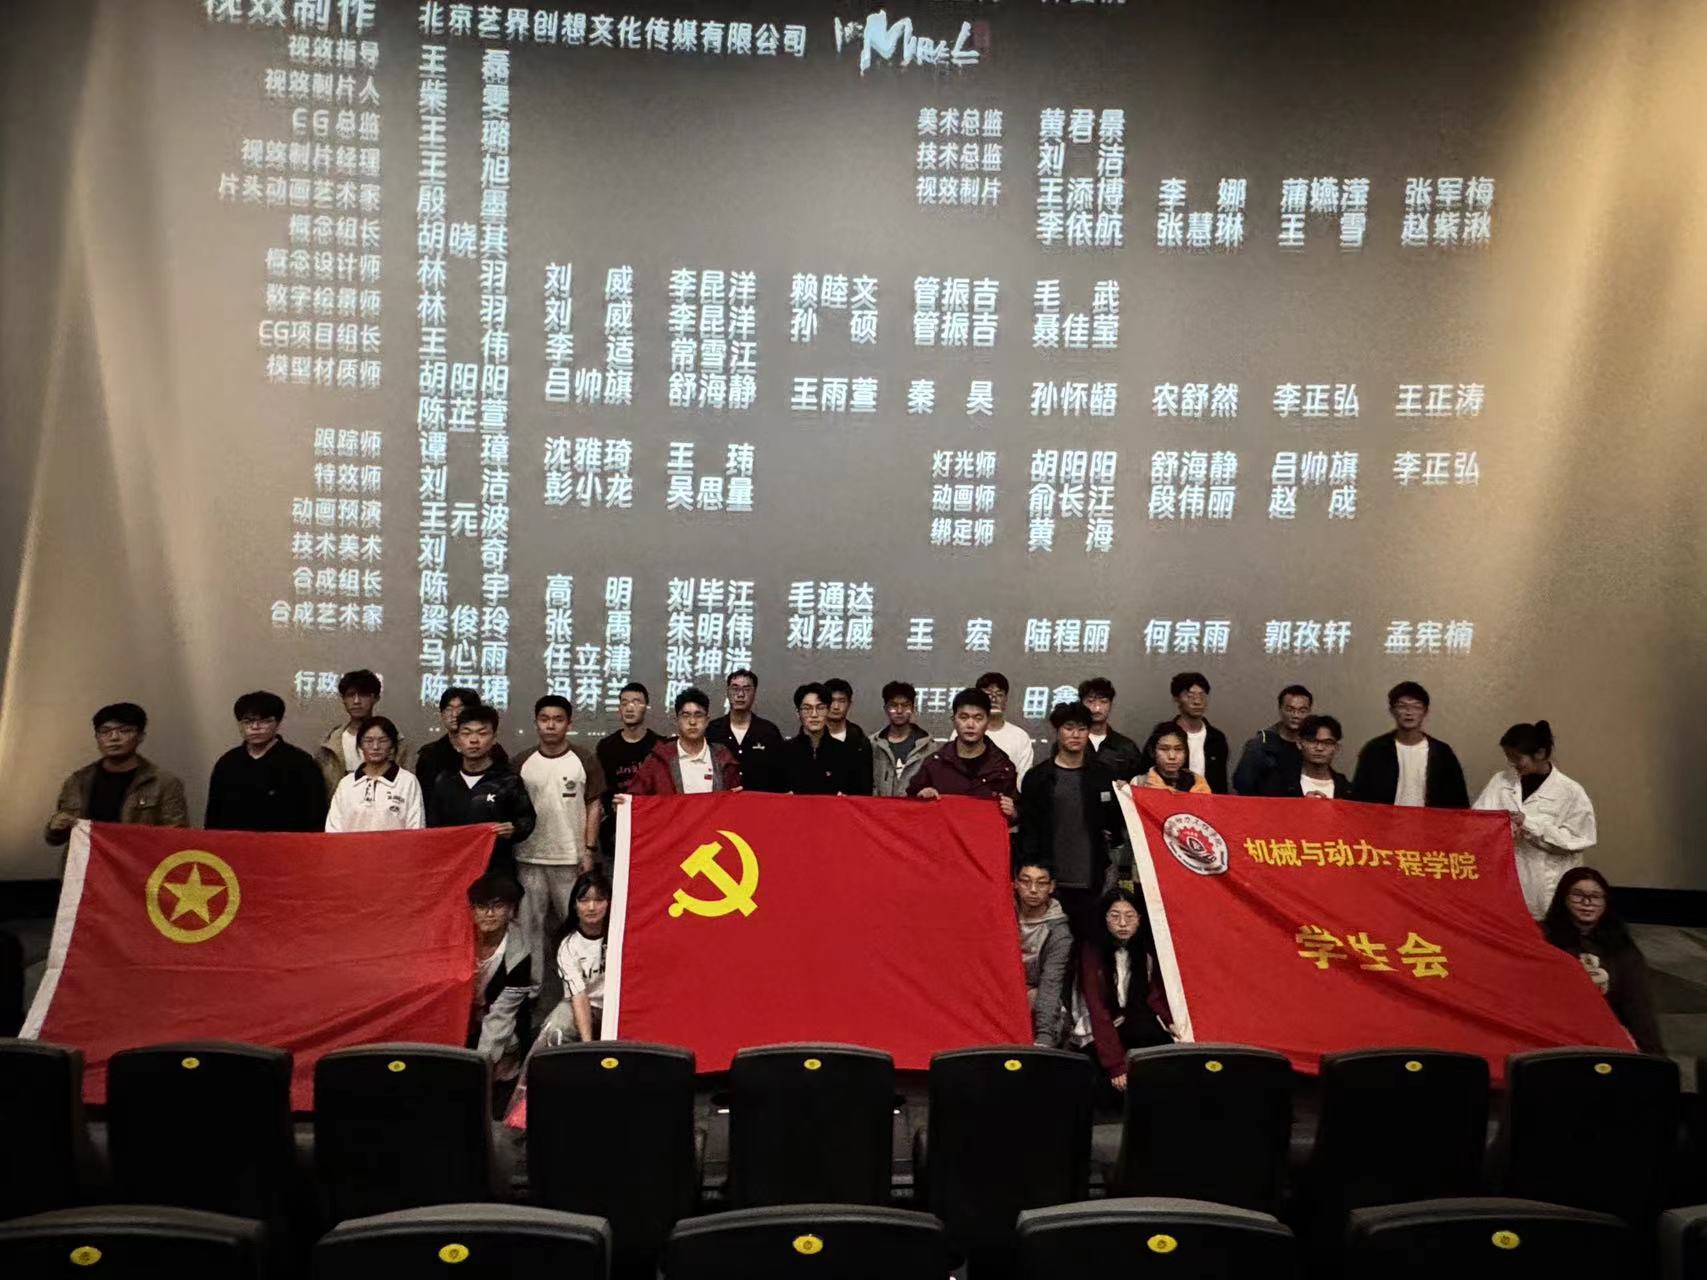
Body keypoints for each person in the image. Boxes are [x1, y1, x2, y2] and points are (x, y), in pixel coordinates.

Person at [513, 696, 607, 969]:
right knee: (530, 928)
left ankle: (579, 983)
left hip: (571, 859)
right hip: (529, 857)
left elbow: (594, 806)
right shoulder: (521, 762)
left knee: (576, 925)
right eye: (545, 719)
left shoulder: (584, 759)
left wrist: (589, 850)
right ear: (536, 723)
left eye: (558, 720)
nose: (551, 725)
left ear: (569, 724)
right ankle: (532, 987)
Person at [1474, 721, 1597, 919]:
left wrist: (1529, 825)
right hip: (1504, 884)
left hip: (1545, 890)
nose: (1513, 764)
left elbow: (1577, 839)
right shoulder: (1500, 781)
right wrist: (1499, 827)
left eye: (1517, 758)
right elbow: (1478, 821)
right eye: (1509, 758)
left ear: (1540, 754)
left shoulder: (1570, 792)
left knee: (1543, 930)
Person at [1020, 702, 1121, 937]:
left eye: (1082, 729)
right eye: (1069, 728)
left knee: (1088, 946)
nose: (1075, 735)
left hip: (1092, 879)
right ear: (1057, 731)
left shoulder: (1103, 775)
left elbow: (1115, 825)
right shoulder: (1037, 778)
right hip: (1048, 882)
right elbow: (1028, 831)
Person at [1542, 868, 1661, 1053]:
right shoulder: (1544, 940)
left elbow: (1639, 1007)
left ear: (1606, 902)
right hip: (1557, 1033)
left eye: (1596, 896)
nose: (1587, 903)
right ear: (1563, 898)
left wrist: (1653, 1055)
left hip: (1607, 1034)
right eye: (1578, 895)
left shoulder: (1621, 947)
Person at [46, 703, 188, 844]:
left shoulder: (163, 783)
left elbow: (176, 839)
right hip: (85, 858)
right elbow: (56, 839)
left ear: (140, 736)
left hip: (136, 858)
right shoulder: (78, 781)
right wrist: (54, 828)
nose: (114, 737)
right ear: (97, 737)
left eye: (124, 730)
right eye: (105, 731)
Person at [1079, 887, 1174, 1094]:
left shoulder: (1145, 950)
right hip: (1100, 1029)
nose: (1123, 923)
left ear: (1139, 919)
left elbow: (1154, 996)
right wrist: (1116, 1065)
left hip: (1131, 1020)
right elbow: (1097, 1009)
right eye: (1115, 916)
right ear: (1104, 919)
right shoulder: (1092, 951)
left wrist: (1171, 1022)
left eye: (1129, 916)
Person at [427, 704, 536, 873]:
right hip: (452, 869)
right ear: (457, 740)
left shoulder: (508, 780)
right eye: (466, 733)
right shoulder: (445, 780)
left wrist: (513, 829)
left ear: (494, 739)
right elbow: (433, 827)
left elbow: (527, 819)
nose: (474, 740)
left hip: (496, 869)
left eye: (482, 733)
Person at [205, 690, 327, 831]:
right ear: (239, 724)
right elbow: (213, 815)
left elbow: (315, 814)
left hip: (285, 841)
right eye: (248, 721)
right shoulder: (227, 763)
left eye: (264, 721)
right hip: (235, 842)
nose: (255, 727)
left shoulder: (301, 762)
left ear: (278, 723)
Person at [1350, 681, 1469, 809]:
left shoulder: (1442, 753)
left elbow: (1458, 803)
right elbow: (1358, 801)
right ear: (1392, 711)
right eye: (1402, 706)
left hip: (1429, 821)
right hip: (1385, 820)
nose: (1409, 712)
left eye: (1416, 706)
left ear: (1425, 711)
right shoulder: (1375, 750)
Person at [907, 688, 1020, 819]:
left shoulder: (1003, 767)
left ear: (988, 721)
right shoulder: (934, 764)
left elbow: (1018, 813)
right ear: (953, 720)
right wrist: (921, 798)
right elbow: (909, 808)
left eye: (978, 718)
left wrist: (1014, 813)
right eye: (963, 717)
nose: (970, 724)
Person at [467, 872, 536, 1079]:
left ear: (511, 910)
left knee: (496, 1067)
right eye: (482, 907)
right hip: (463, 1016)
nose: (489, 914)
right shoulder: (460, 940)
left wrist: (480, 1065)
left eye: (497, 906)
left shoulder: (519, 955)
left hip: (498, 1021)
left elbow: (501, 1016)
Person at [315, 669, 411, 798]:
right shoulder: (329, 744)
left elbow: (407, 788)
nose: (356, 701)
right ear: (343, 700)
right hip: (340, 807)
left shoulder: (397, 742)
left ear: (375, 698)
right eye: (350, 695)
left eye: (363, 695)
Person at [631, 688, 742, 794]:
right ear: (676, 721)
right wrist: (624, 802)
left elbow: (735, 800)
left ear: (707, 721)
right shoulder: (658, 760)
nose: (692, 722)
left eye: (698, 715)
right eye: (685, 715)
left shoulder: (723, 758)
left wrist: (738, 796)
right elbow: (635, 798)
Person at [326, 716, 426, 831]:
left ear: (392, 746)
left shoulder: (407, 782)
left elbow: (416, 828)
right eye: (368, 741)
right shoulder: (346, 784)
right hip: (352, 843)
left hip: (397, 844)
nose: (375, 747)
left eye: (383, 741)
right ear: (360, 745)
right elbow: (333, 829)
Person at [595, 682, 661, 850]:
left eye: (636, 702)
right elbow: (602, 790)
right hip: (615, 828)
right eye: (624, 703)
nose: (629, 708)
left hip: (651, 827)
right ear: (619, 709)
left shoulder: (659, 745)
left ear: (646, 708)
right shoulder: (606, 746)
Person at [1015, 861, 1073, 1048]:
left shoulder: (1059, 933)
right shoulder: (1003, 915)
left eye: (1041, 883)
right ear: (1015, 884)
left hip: (1035, 993)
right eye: (1026, 882)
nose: (1033, 890)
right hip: (1003, 990)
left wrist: (1044, 1037)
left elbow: (1051, 983)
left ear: (1051, 887)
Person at [417, 686, 507, 801]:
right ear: (441, 714)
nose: (454, 714)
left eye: (461, 708)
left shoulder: (494, 752)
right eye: (449, 709)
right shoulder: (429, 754)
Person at [706, 669, 787, 792]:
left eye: (747, 689)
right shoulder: (712, 730)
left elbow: (780, 775)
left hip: (758, 801)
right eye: (735, 688)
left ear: (754, 693)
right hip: (722, 800)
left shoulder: (769, 731)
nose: (740, 694)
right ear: (727, 692)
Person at [781, 682, 864, 794]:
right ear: (797, 713)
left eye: (820, 708)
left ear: (828, 710)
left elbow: (859, 796)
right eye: (807, 708)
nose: (814, 715)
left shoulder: (846, 753)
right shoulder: (782, 752)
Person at [1232, 685, 1314, 796]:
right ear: (1280, 710)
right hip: (1266, 804)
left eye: (1302, 711)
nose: (1296, 715)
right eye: (1290, 710)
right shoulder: (1261, 744)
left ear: (1309, 712)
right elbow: (1242, 783)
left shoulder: (1313, 745)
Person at [1261, 714, 1352, 799]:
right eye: (1312, 741)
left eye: (1327, 743)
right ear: (1299, 743)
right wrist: (1303, 804)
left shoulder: (1346, 788)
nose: (1319, 748)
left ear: (1336, 748)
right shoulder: (1279, 781)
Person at [1169, 672, 1229, 794]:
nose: (1197, 701)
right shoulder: (1164, 735)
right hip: (1173, 801)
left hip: (1208, 802)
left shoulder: (1216, 738)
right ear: (1177, 698)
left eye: (1202, 695)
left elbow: (1221, 782)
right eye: (1190, 696)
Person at [872, 681, 935, 797]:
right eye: (894, 705)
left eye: (905, 705)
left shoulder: (928, 746)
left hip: (914, 808)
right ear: (886, 709)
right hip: (879, 808)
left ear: (913, 708)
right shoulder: (873, 744)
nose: (899, 711)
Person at [1076, 677, 1145, 781]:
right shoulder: (1072, 741)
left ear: (1111, 705)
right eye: (1090, 701)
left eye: (1103, 702)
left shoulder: (1126, 747)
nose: (1097, 707)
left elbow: (1137, 783)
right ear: (1081, 704)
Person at [978, 672, 1036, 788]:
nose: (993, 699)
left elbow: (1023, 780)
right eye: (987, 694)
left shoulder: (1020, 736)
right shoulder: (965, 733)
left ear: (1006, 700)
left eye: (999, 694)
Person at [823, 677, 875, 795]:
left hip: (852, 805)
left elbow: (866, 786)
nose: (836, 706)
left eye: (842, 701)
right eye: (831, 700)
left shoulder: (861, 742)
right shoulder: (811, 738)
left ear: (849, 704)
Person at [1137, 721, 1212, 793]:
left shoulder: (1199, 783)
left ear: (1186, 752)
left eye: (1178, 749)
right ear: (1152, 752)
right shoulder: (1140, 783)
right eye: (1164, 749)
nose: (1172, 756)